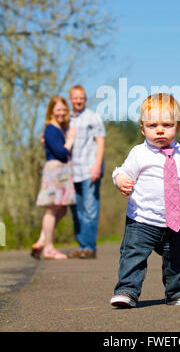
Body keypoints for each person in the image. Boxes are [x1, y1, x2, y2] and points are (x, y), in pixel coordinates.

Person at [110, 93, 180, 308]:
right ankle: (127, 290)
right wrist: (122, 180)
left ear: (178, 127)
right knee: (133, 256)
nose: (160, 130)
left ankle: (177, 291)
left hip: (173, 221)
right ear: (143, 129)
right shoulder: (139, 153)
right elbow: (122, 172)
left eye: (167, 124)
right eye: (152, 125)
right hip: (142, 220)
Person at [32, 96, 76, 260]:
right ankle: (48, 249)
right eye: (58, 109)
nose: (62, 113)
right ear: (51, 111)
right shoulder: (51, 128)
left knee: (62, 208)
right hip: (55, 169)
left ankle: (42, 241)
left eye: (64, 110)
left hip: (62, 170)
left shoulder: (58, 128)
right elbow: (61, 152)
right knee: (52, 209)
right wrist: (70, 140)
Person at [67, 85, 106, 259]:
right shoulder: (66, 119)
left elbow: (101, 142)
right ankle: (81, 246)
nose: (78, 100)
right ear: (70, 99)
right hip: (71, 171)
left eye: (81, 97)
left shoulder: (93, 117)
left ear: (85, 98)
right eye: (75, 97)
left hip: (90, 169)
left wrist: (97, 166)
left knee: (90, 210)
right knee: (77, 211)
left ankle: (90, 247)